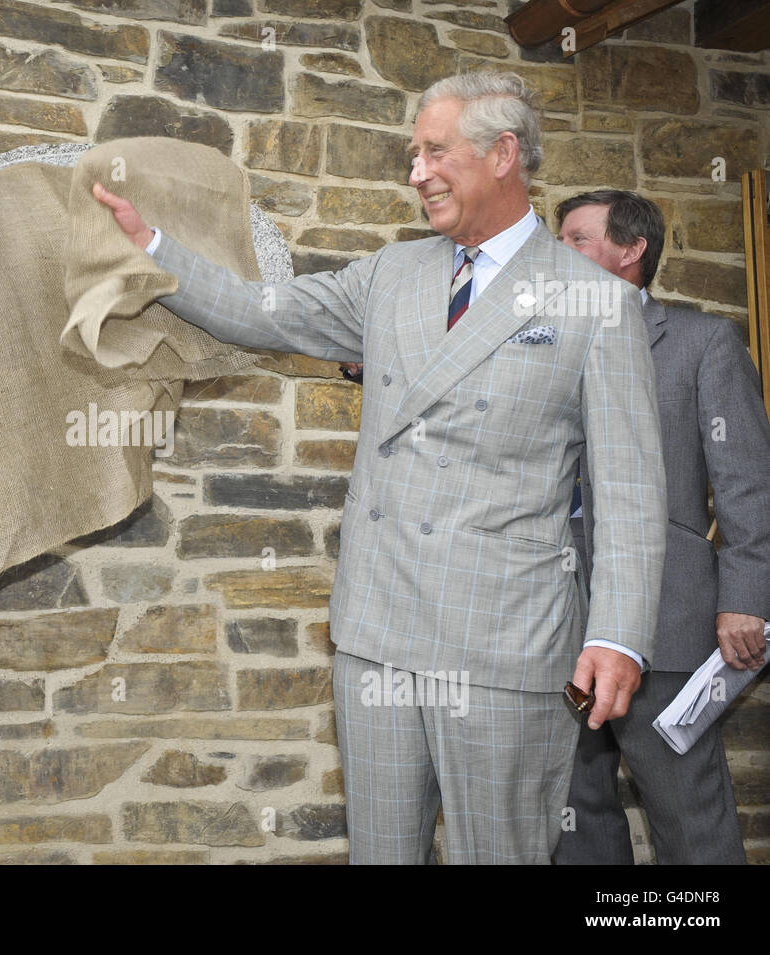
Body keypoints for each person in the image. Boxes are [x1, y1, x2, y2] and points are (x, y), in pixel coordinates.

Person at [95, 71, 667, 863]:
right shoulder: (391, 274)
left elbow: (633, 490)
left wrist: (617, 636)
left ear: (504, 154)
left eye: (435, 152)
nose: (416, 173)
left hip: (502, 645)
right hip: (377, 632)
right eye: (413, 153)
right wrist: (151, 248)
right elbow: (268, 313)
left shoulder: (594, 303)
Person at [552, 189, 770, 865]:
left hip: (667, 619)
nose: (561, 254)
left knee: (688, 815)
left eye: (578, 239)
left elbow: (747, 480)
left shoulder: (703, 341)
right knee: (574, 813)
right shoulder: (543, 343)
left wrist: (746, 596)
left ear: (633, 249)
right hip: (555, 617)